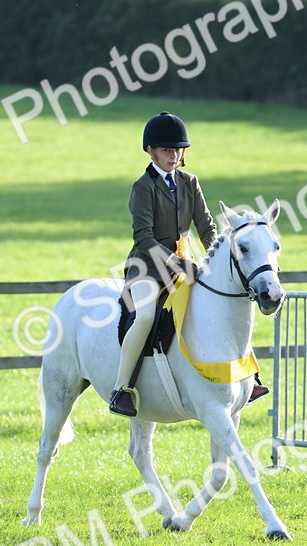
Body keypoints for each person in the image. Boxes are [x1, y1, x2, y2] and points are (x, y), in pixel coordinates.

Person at [109, 111, 268, 417]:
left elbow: (206, 227)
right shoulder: (143, 187)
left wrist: (219, 261)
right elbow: (143, 237)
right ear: (151, 151)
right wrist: (175, 263)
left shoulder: (190, 182)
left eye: (178, 150)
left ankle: (249, 377)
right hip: (147, 271)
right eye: (167, 150)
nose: (174, 155)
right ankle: (122, 389)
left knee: (222, 310)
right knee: (144, 318)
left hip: (188, 268)